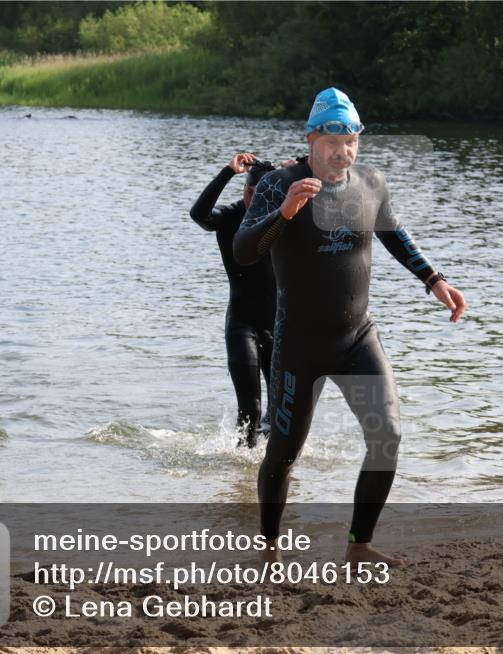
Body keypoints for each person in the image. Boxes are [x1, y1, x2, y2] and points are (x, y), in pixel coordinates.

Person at [235, 88, 467, 564]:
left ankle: (359, 545)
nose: (343, 152)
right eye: (333, 142)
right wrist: (285, 214)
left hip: (357, 336)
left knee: (387, 436)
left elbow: (393, 231)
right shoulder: (282, 183)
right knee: (282, 453)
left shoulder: (370, 182)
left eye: (352, 141)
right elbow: (244, 249)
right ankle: (270, 548)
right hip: (299, 343)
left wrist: (434, 279)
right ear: (312, 138)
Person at [189, 153, 280, 448]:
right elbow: (198, 214)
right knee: (251, 411)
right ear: (249, 192)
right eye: (263, 197)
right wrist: (228, 171)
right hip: (243, 326)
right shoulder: (230, 217)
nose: (269, 205)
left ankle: (268, 471)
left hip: (278, 325)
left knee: (281, 413)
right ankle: (239, 479)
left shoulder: (281, 218)